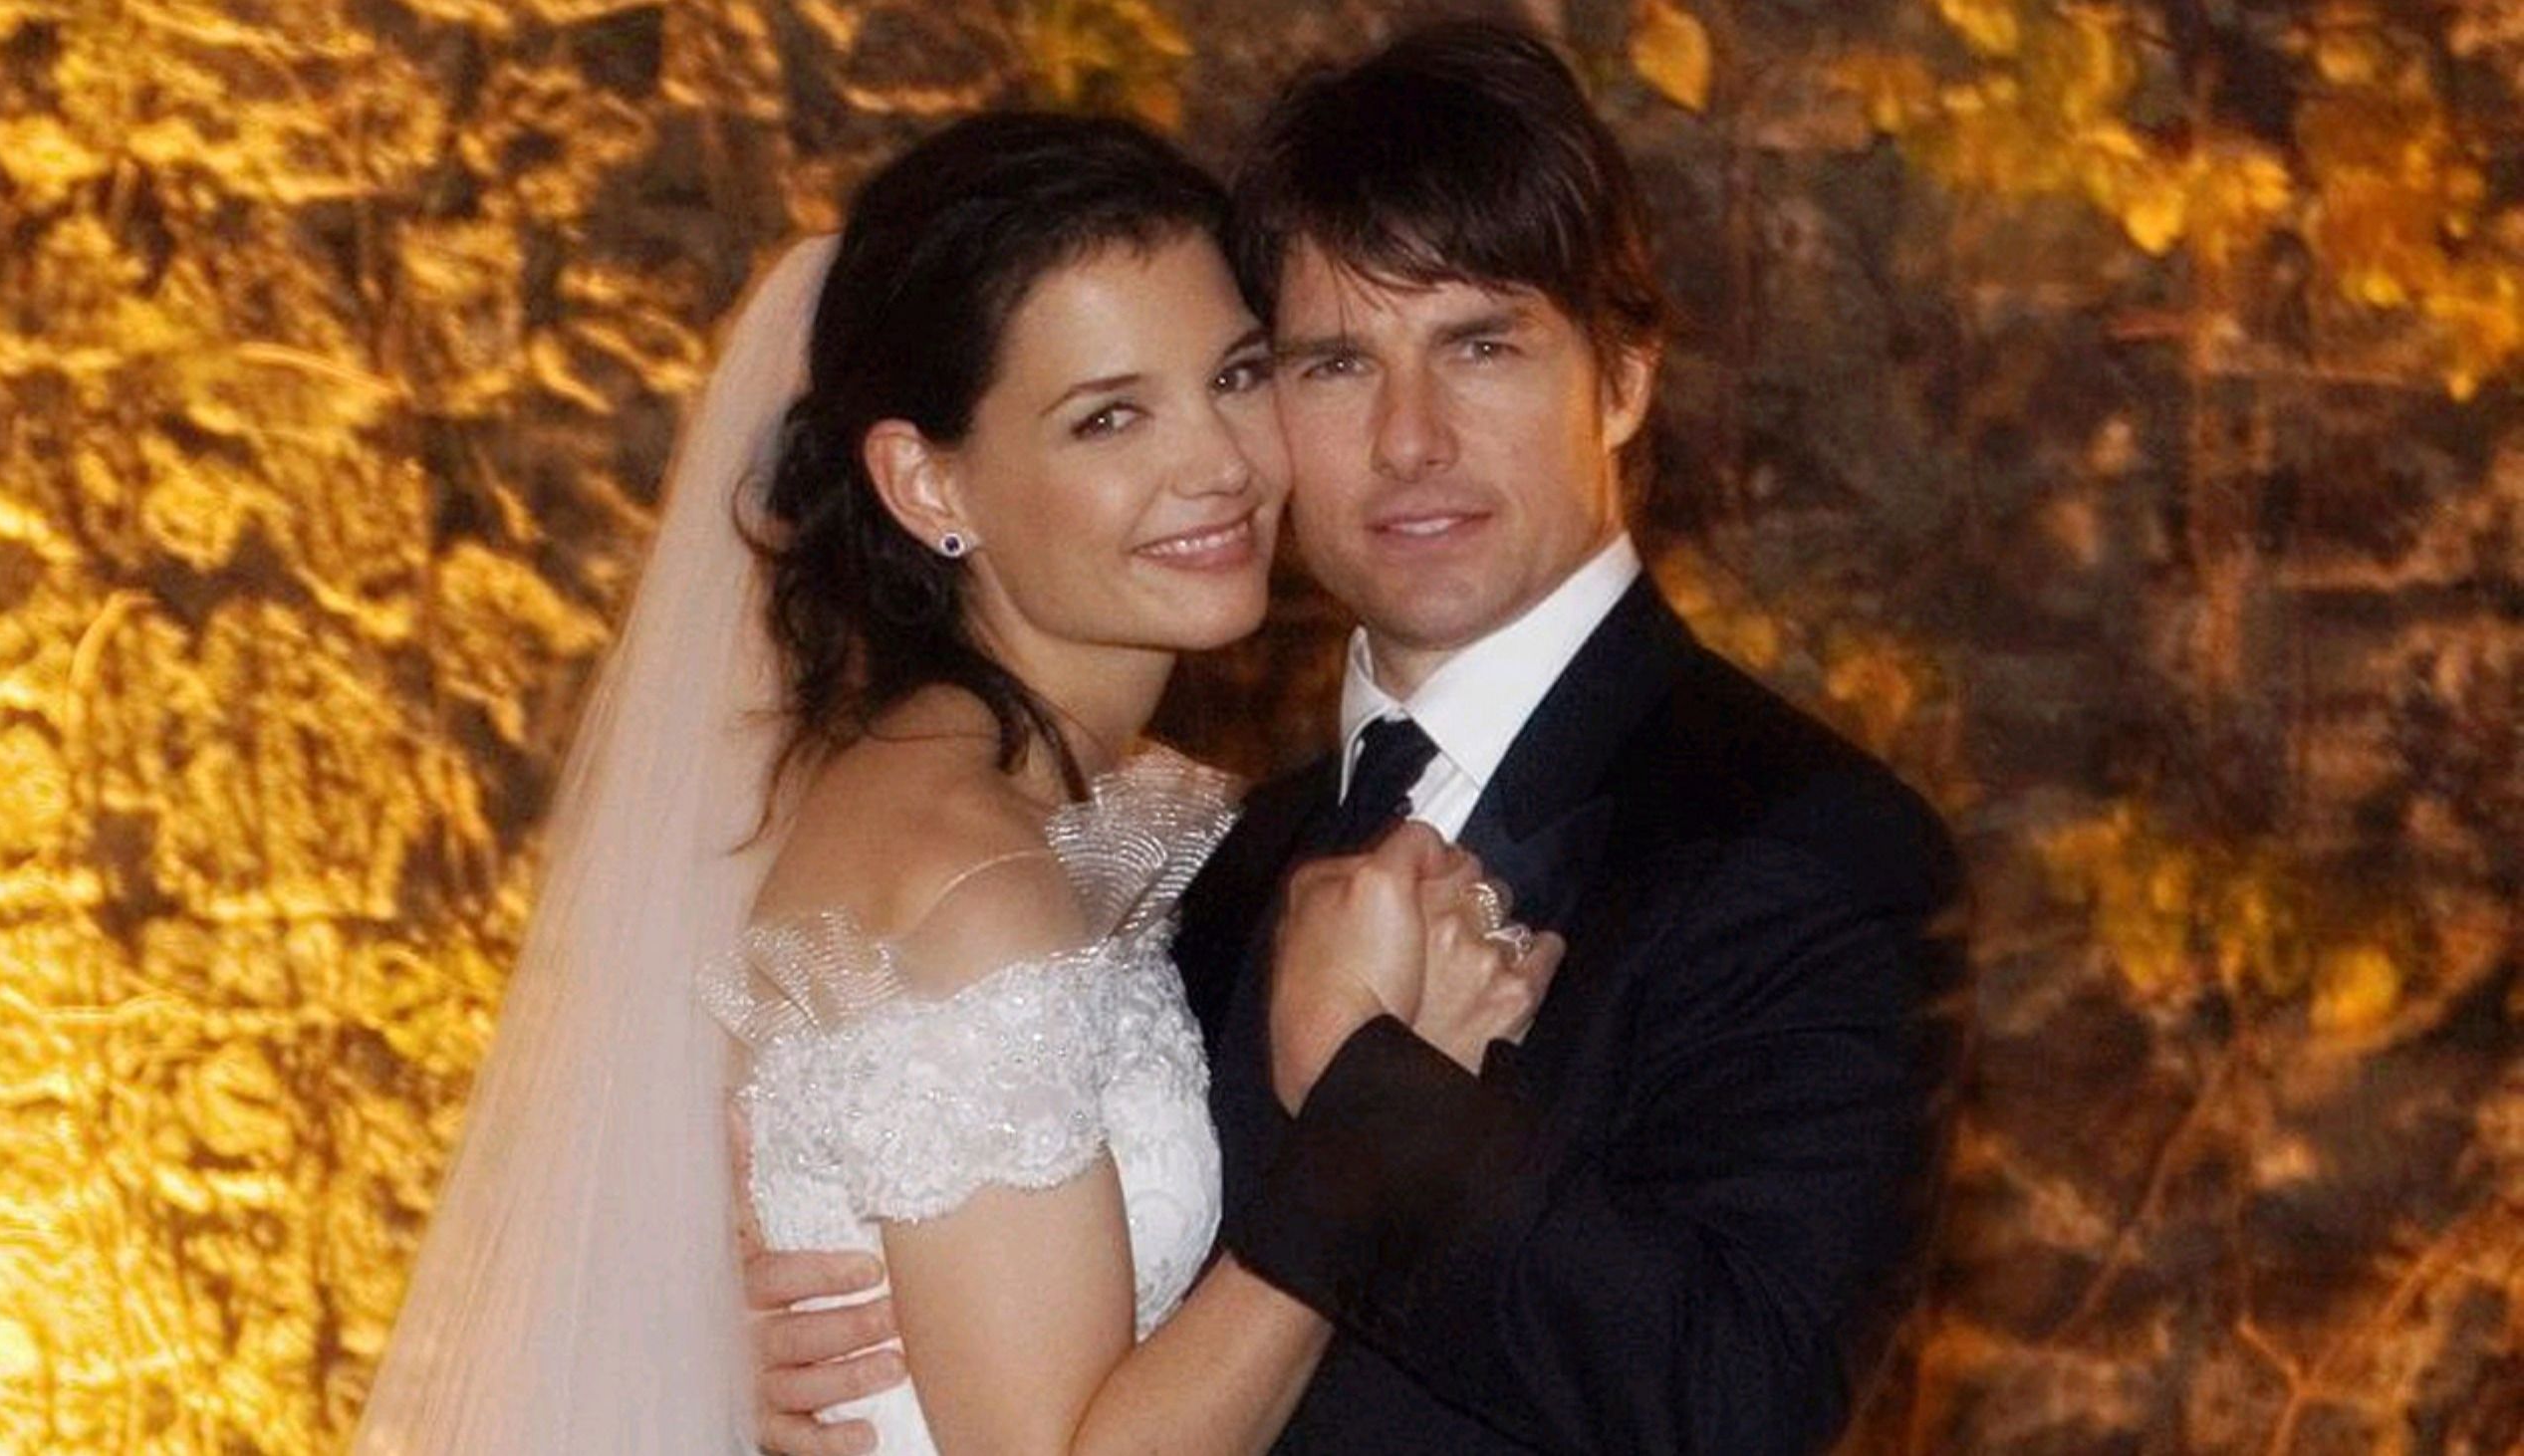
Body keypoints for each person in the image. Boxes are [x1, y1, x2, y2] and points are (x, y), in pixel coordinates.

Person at [748, 20, 1967, 1456]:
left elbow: (1743, 1407)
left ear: (1626, 376)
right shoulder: (1201, 856)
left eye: (1480, 345)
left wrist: (1371, 1093)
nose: (1409, 439)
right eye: (1330, 364)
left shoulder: (1811, 847)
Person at [351, 112, 1557, 1454]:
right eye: (1109, 418)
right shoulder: (972, 884)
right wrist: (1376, 1128)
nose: (1220, 464)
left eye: (1233, 376)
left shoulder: (1069, 808)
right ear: (929, 484)